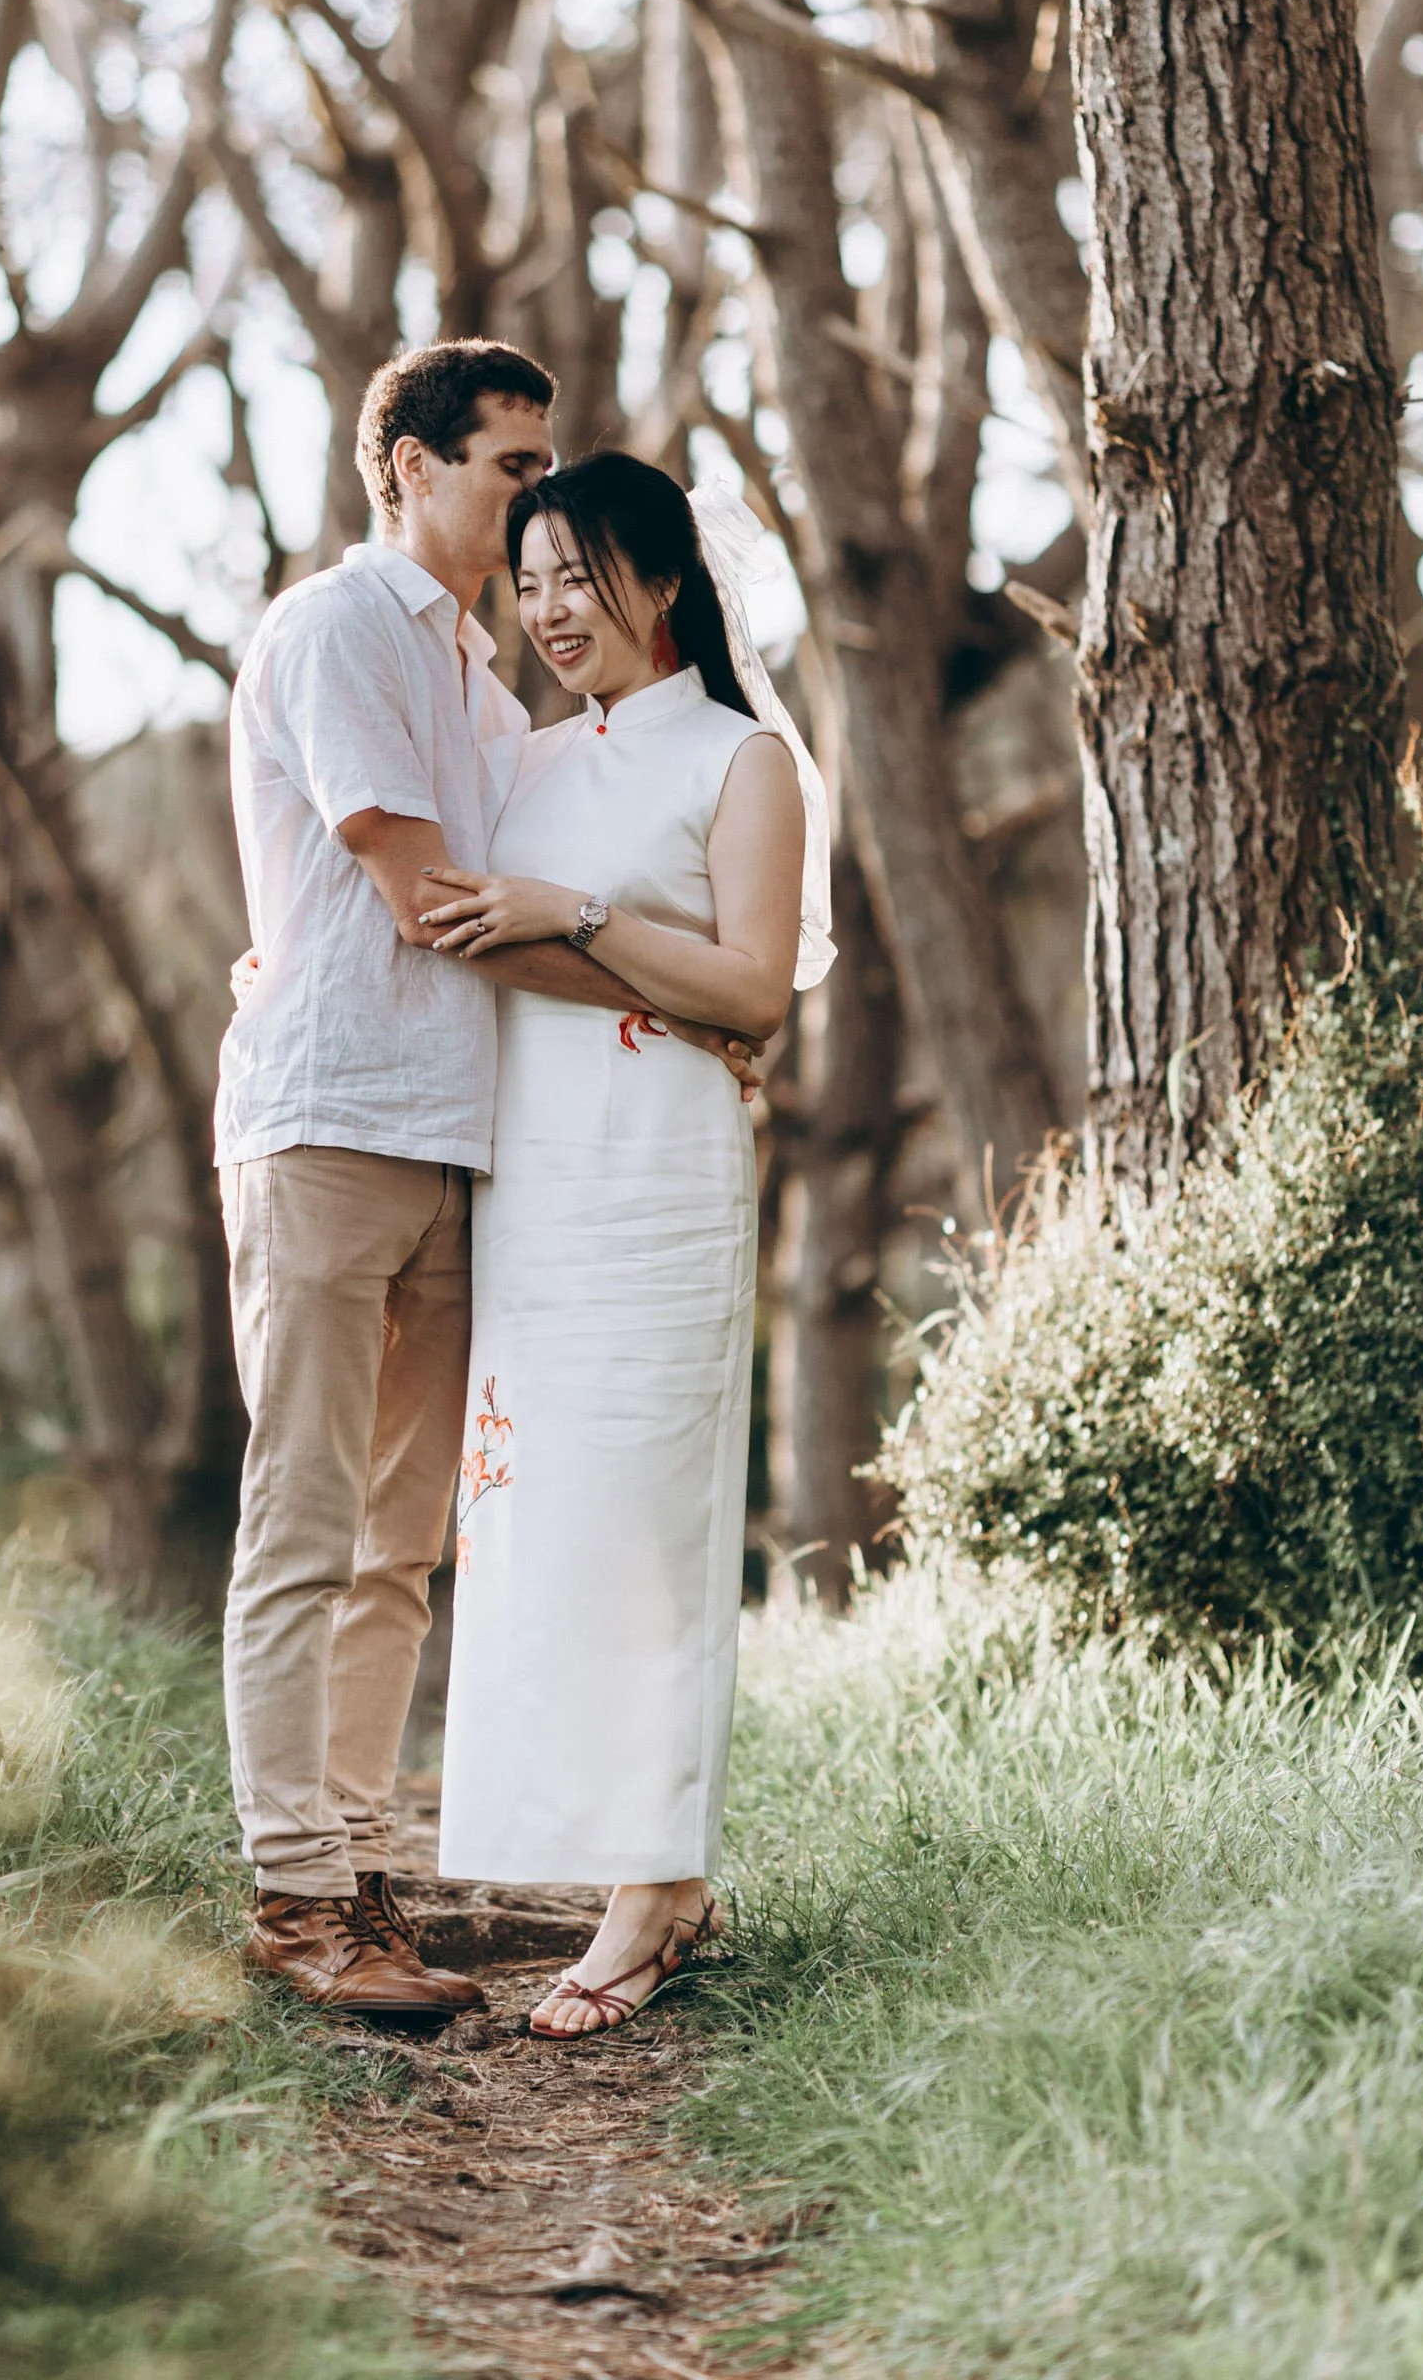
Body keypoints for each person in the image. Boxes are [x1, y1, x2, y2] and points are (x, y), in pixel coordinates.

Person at [215, 348, 761, 2022]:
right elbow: (436, 903)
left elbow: (516, 919)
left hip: (460, 1147)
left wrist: (694, 1006)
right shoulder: (337, 630)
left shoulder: (483, 686)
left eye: (542, 472)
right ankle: (294, 1895)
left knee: (400, 1544)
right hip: (328, 1121)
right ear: (405, 466)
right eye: (509, 469)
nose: (533, 500)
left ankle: (363, 1868)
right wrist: (685, 996)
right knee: (303, 1520)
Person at [418, 453, 828, 2038]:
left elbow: (753, 994)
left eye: (577, 577)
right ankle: (618, 1852)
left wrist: (575, 917)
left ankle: (651, 1898)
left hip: (659, 1182)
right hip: (533, 1177)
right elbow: (466, 935)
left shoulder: (742, 762)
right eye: (527, 584)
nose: (547, 612)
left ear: (661, 581)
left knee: (653, 1525)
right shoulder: (519, 763)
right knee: (544, 1522)